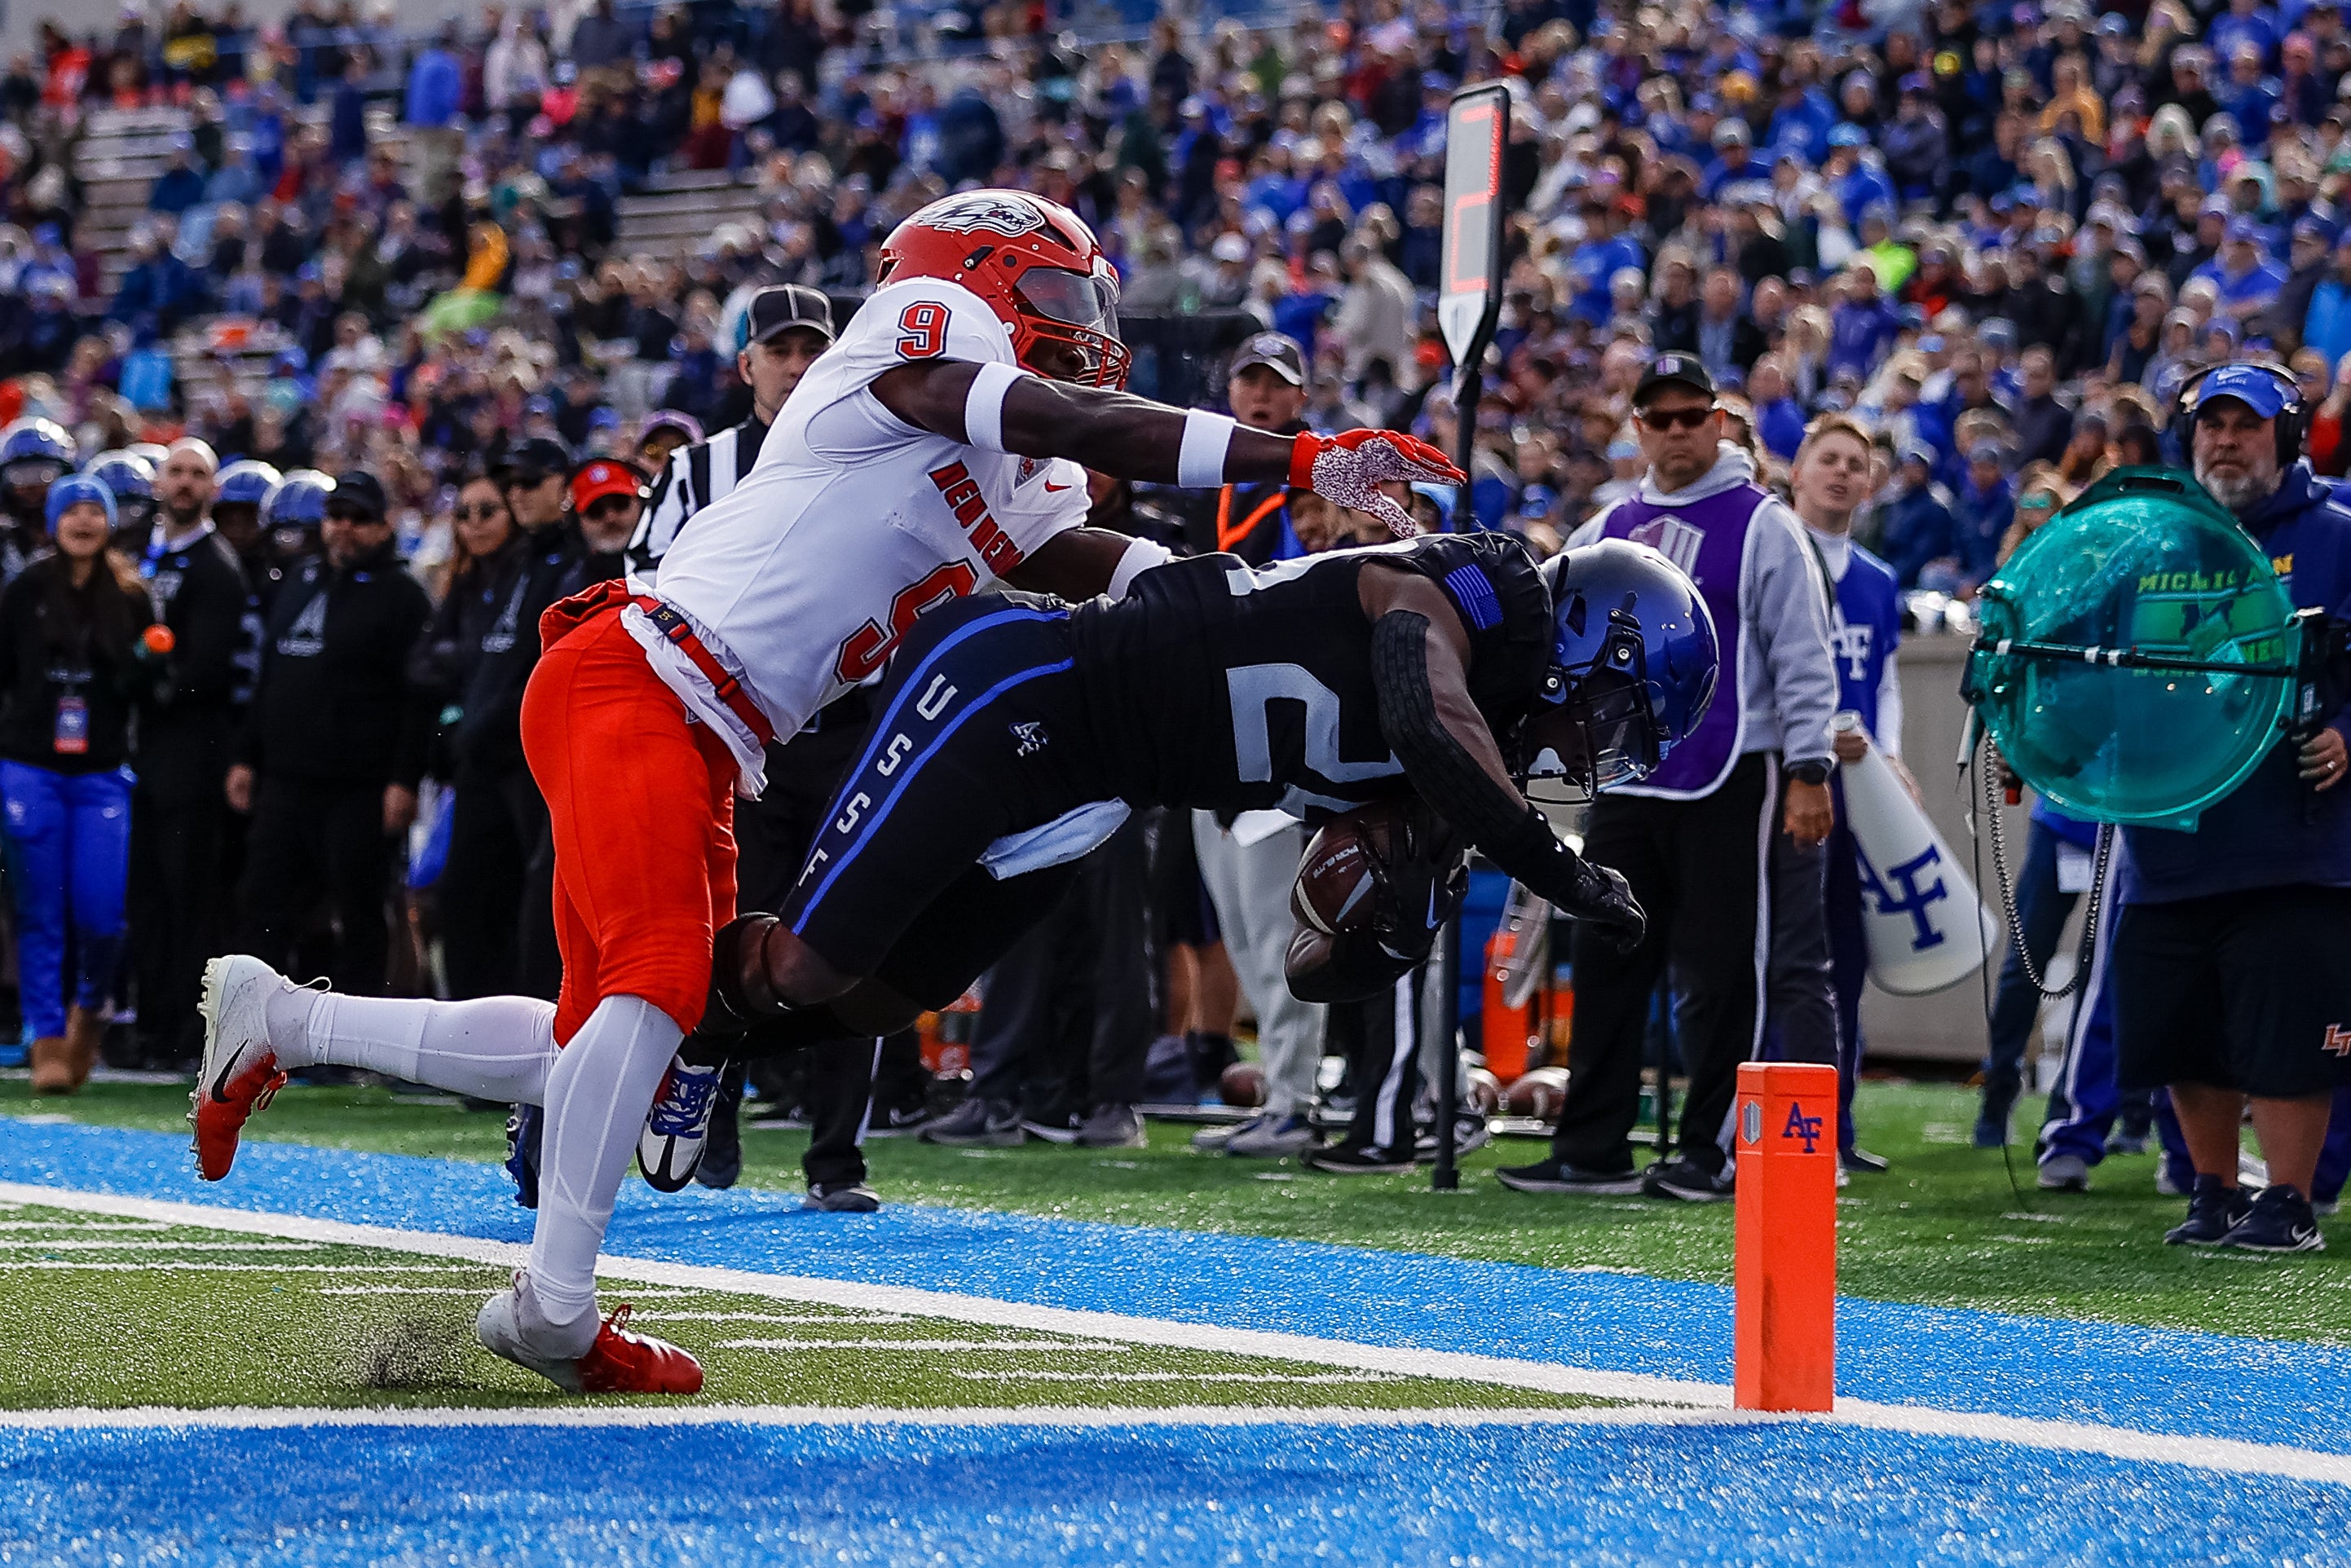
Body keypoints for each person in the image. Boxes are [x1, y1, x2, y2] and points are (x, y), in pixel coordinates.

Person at [193, 190, 1457, 1396]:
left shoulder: (1020, 465)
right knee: (655, 989)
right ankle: (554, 1306)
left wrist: (1323, 597)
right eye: (1066, 287)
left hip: (708, 726)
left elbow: (1128, 570)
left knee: (612, 1040)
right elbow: (1054, 418)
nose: (1091, 320)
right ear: (981, 278)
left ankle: (287, 1024)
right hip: (644, 669)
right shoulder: (913, 346)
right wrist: (1298, 457)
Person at [662, 531, 1683, 1176]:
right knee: (807, 961)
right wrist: (1563, 869)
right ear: (1594, 640)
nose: (1600, 750)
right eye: (1612, 718)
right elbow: (1419, 713)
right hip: (1022, 689)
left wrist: (1393, 913)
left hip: (1098, 792)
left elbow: (1314, 964)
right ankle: (623, 1024)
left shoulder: (1471, 757)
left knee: (888, 996)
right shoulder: (1476, 596)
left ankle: (694, 1045)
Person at [1499, 353, 1839, 1204]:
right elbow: (1550, 635)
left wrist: (1809, 766)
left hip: (1733, 768)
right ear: (1637, 427)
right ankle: (1592, 1144)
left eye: (1693, 415)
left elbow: (1802, 652)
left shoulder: (1764, 522)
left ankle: (1712, 1148)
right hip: (1625, 776)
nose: (1678, 430)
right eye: (1660, 418)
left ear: (1719, 423)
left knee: (1724, 968)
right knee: (1607, 956)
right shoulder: (1606, 526)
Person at [2113, 362, 2351, 1253]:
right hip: (2168, 832)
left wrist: (2347, 736)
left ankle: (2287, 1199)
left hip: (2294, 835)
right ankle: (2211, 1189)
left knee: (2287, 1026)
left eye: (2244, 425)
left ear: (2286, 436)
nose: (2224, 440)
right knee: (2185, 1026)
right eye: (2210, 425)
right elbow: (2092, 656)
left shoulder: (2338, 534)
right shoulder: (2148, 542)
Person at [624, 284, 849, 1200]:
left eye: (812, 350)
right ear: (746, 364)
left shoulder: (878, 452)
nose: (798, 366)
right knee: (723, 928)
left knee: (852, 924)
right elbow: (644, 583)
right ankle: (712, 1116)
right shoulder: (697, 470)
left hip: (851, 728)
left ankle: (837, 1157)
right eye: (780, 350)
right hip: (737, 730)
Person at [227, 470, 432, 1002]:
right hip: (286, 778)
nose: (345, 528)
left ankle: (356, 1040)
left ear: (384, 526)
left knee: (359, 910)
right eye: (337, 516)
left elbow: (419, 698)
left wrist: (404, 780)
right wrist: (247, 756)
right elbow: (270, 674)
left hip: (360, 784)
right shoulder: (300, 578)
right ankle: (257, 1031)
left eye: (360, 519)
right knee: (264, 903)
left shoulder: (404, 595)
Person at [0, 475, 156, 1092]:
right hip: (29, 768)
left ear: (111, 522)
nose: (84, 521)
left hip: (101, 774)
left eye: (96, 510)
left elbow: (145, 690)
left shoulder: (132, 595)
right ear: (54, 522)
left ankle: (89, 1012)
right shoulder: (24, 591)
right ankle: (47, 1038)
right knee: (38, 909)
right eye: (74, 511)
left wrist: (153, 668)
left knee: (100, 915)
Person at [1784, 413, 1909, 1172]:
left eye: (1854, 463)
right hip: (1793, 781)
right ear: (1797, 470)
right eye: (1826, 459)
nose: (1840, 473)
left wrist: (1890, 758)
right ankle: (1779, 1120)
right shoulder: (1774, 552)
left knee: (1848, 958)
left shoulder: (1878, 579)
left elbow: (1884, 679)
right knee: (1793, 956)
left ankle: (1839, 1125)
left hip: (1860, 792)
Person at [129, 439, 249, 1068]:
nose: (183, 483)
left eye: (196, 474)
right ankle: (148, 1025)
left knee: (186, 895)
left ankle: (183, 1035)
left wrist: (138, 684)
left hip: (190, 757)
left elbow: (201, 673)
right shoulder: (135, 555)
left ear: (212, 490)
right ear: (157, 481)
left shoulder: (218, 568)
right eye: (175, 471)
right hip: (140, 756)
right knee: (144, 895)